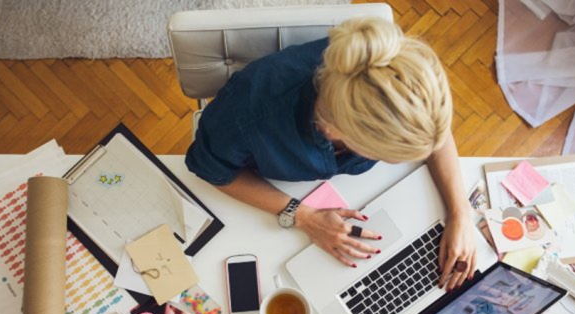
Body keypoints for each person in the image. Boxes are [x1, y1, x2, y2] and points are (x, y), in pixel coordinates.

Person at [186, 17, 476, 290]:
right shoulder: (248, 112)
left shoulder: (391, 73)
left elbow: (432, 135)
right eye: (388, 156)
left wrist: (460, 214)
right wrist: (303, 216)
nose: (401, 161)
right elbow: (211, 169)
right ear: (336, 132)